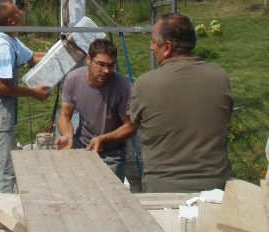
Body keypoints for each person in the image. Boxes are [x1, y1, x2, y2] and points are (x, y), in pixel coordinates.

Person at [130, 13, 233, 193]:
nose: (151, 47)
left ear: (167, 47)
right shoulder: (220, 77)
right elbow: (225, 118)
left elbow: (135, 122)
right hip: (214, 188)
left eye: (154, 42)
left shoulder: (145, 84)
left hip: (161, 189)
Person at [0, 0, 51, 193]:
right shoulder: (3, 48)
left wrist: (64, 51)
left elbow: (33, 57)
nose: (22, 12)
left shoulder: (9, 39)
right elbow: (2, 87)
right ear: (11, 21)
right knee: (3, 167)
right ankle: (1, 212)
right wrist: (32, 93)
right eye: (18, 10)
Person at [55, 39, 136, 182]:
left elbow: (131, 126)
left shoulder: (123, 87)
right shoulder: (73, 80)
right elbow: (64, 115)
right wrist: (68, 135)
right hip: (83, 148)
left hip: (112, 154)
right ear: (88, 59)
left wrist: (103, 139)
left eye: (111, 66)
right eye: (101, 64)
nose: (106, 71)